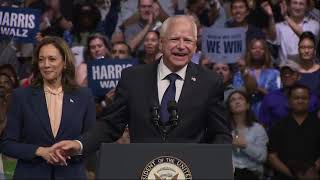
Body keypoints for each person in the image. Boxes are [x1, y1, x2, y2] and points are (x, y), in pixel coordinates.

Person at [51, 15, 232, 160]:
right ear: (161, 43)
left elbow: (220, 133)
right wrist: (79, 144)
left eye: (188, 41)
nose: (181, 46)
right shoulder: (133, 78)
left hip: (190, 171)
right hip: (141, 169)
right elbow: (110, 125)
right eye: (175, 39)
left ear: (195, 46)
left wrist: (219, 161)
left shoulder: (209, 82)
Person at [0, 36, 96, 179]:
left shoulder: (83, 96)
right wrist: (40, 151)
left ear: (64, 62)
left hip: (70, 174)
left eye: (52, 59)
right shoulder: (21, 96)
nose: (46, 64)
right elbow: (7, 144)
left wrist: (71, 151)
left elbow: (92, 141)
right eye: (41, 59)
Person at [268, 84, 320, 180]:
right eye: (296, 98)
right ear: (289, 101)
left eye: (304, 98)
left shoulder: (317, 124)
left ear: (309, 101)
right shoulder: (278, 126)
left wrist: (312, 172)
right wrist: (294, 176)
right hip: (284, 176)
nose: (300, 101)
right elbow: (272, 157)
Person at [259, 61, 319, 130]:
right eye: (284, 73)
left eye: (291, 73)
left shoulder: (311, 97)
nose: (287, 76)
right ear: (280, 77)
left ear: (298, 76)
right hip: (278, 138)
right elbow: (263, 124)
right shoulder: (270, 98)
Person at [227, 90, 268, 180]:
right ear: (229, 108)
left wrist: (245, 146)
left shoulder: (258, 129)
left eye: (240, 99)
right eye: (232, 100)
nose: (237, 102)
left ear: (248, 105)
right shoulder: (224, 130)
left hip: (252, 173)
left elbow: (263, 157)